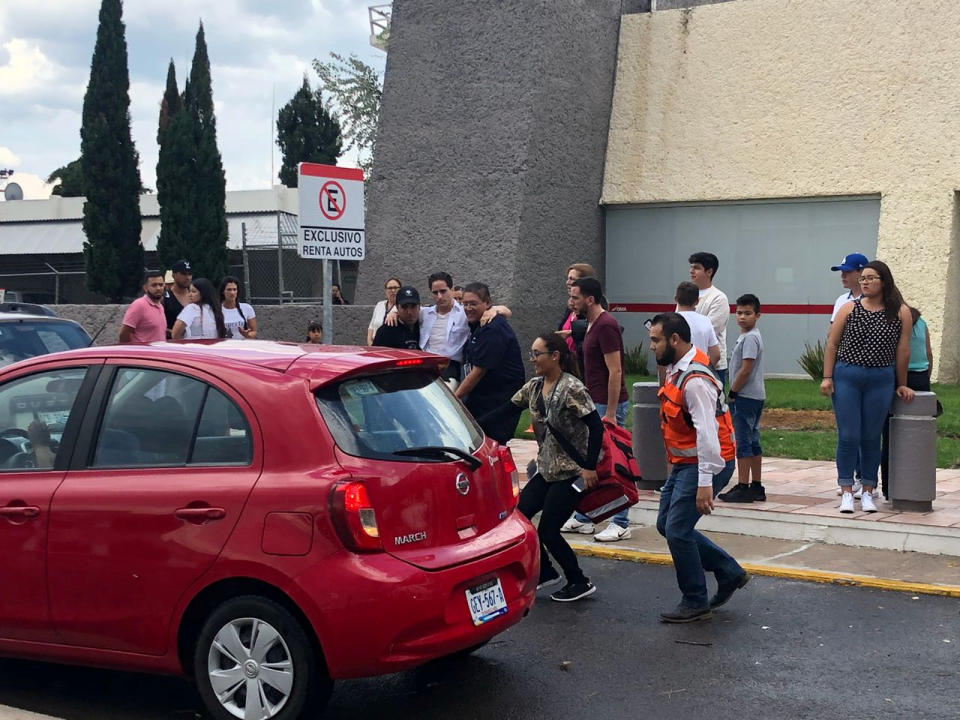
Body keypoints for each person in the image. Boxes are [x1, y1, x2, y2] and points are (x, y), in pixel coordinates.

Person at [649, 312, 747, 623]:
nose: (651, 346)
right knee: (667, 525)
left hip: (708, 463)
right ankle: (728, 571)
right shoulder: (675, 370)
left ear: (674, 340)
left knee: (677, 530)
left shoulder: (695, 381)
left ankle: (695, 600)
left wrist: (705, 483)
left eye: (656, 340)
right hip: (686, 462)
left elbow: (708, 436)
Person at [512, 333, 602, 602]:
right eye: (532, 353)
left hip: (573, 473)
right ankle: (548, 573)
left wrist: (588, 467)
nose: (533, 359)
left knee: (548, 530)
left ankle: (579, 581)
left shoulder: (571, 387)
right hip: (547, 470)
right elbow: (507, 409)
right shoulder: (535, 387)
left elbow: (595, 427)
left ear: (555, 356)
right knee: (520, 517)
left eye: (537, 353)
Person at [821, 260, 915, 514]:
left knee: (872, 436)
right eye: (863, 278)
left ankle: (869, 490)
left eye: (871, 278)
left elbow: (903, 349)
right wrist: (827, 376)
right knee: (849, 435)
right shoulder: (849, 308)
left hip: (881, 377)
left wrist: (902, 383)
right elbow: (832, 343)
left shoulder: (900, 312)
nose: (865, 282)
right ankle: (847, 491)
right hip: (848, 375)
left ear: (884, 281)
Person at [561, 276, 631, 542]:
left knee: (613, 464)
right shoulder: (590, 324)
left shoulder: (606, 325)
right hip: (595, 401)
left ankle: (621, 521)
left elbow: (616, 371)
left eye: (576, 297)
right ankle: (585, 517)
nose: (572, 302)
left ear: (590, 299)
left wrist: (611, 413)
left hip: (606, 404)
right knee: (591, 463)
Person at [455, 282, 525, 444]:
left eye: (473, 303)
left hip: (498, 402)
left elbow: (478, 372)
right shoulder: (478, 324)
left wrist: (454, 398)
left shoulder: (492, 328)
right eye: (465, 304)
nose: (468, 308)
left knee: (490, 446)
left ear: (487, 303)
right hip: (483, 398)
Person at [718, 294, 766, 503]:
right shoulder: (750, 336)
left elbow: (746, 369)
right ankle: (756, 485)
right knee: (753, 440)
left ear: (758, 315)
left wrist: (733, 393)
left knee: (744, 442)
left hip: (745, 396)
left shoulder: (750, 338)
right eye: (739, 313)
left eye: (748, 313)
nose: (742, 317)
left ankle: (743, 485)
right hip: (755, 395)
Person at [880, 306, 932, 498]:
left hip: (896, 376)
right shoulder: (922, 323)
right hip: (920, 377)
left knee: (890, 432)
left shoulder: (893, 321)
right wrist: (926, 378)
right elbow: (929, 353)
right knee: (920, 433)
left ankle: (888, 488)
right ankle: (918, 484)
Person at [830, 253, 868, 497]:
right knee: (847, 427)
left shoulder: (873, 300)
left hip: (869, 371)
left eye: (848, 271)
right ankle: (850, 476)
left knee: (867, 428)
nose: (843, 276)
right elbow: (833, 335)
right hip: (844, 369)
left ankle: (866, 477)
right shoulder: (841, 301)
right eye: (841, 271)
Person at [420, 272, 470, 384]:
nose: (439, 297)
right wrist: (393, 313)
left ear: (451, 289)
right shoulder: (425, 313)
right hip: (425, 366)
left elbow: (494, 309)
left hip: (450, 368)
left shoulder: (464, 313)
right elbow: (405, 312)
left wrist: (495, 311)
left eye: (443, 291)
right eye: (435, 293)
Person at [688, 252, 730, 386]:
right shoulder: (686, 295)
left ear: (709, 271)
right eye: (691, 267)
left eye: (696, 267)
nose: (691, 271)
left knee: (713, 405)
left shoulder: (718, 298)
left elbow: (707, 330)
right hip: (687, 362)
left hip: (712, 364)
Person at [674, 281, 721, 367]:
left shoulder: (669, 321)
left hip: (677, 374)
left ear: (676, 299)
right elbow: (716, 355)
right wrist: (705, 369)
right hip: (700, 371)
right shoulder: (706, 321)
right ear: (697, 301)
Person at [119, 270, 167, 344]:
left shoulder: (160, 306)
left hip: (158, 353)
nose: (158, 288)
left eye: (161, 285)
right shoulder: (139, 305)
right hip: (143, 354)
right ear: (145, 288)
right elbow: (124, 334)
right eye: (154, 285)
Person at [557, 263, 593, 359]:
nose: (567, 282)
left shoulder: (591, 309)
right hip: (567, 362)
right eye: (567, 278)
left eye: (572, 279)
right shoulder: (569, 308)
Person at [367, 278, 402, 345]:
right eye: (390, 288)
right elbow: (371, 327)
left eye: (396, 287)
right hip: (375, 345)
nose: (393, 290)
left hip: (391, 346)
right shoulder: (379, 305)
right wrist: (370, 344)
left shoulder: (402, 307)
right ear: (385, 290)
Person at [163, 259, 193, 334]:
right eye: (184, 274)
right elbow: (157, 326)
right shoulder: (165, 298)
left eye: (190, 274)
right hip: (172, 343)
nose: (188, 277)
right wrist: (175, 332)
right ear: (174, 275)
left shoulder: (196, 296)